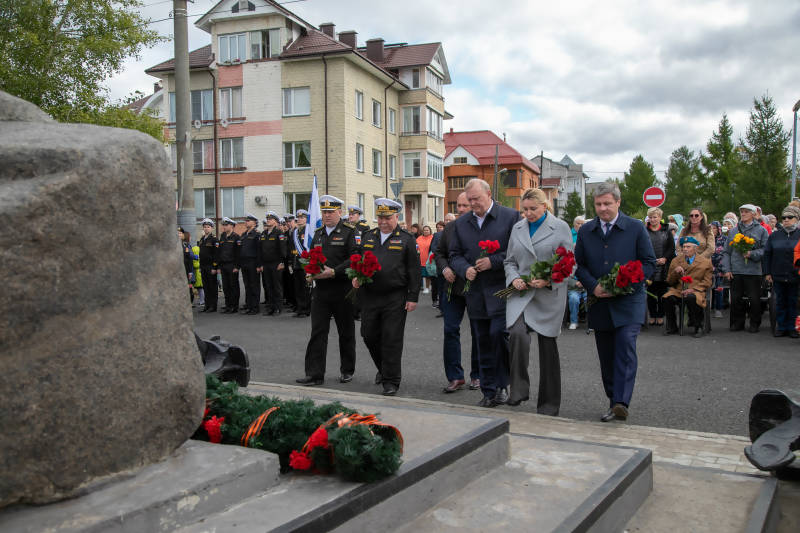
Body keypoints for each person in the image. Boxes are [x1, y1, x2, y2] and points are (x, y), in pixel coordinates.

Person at [574, 181, 656, 423]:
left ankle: (621, 401)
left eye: (607, 203)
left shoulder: (635, 228)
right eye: (598, 204)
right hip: (600, 303)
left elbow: (648, 263)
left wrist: (625, 283)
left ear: (618, 202)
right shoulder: (586, 231)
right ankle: (613, 400)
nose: (603, 208)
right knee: (607, 355)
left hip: (628, 301)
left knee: (625, 347)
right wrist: (594, 286)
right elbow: (580, 266)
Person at [449, 178, 518, 408]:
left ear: (489, 194)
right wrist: (464, 268)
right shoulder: (461, 224)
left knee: (499, 335)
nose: (473, 204)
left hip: (501, 289)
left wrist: (493, 261)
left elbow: (516, 252)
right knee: (482, 341)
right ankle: (488, 390)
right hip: (476, 292)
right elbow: (454, 255)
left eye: (476, 199)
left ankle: (502, 385)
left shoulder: (510, 217)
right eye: (469, 200)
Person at [503, 188, 572, 414]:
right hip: (522, 294)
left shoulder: (560, 227)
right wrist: (514, 279)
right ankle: (518, 390)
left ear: (545, 206)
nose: (528, 214)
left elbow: (569, 263)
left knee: (547, 347)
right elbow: (510, 261)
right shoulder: (518, 228)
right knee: (516, 334)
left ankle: (549, 404)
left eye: (533, 209)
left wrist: (549, 279)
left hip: (548, 295)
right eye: (525, 209)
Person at [353, 198, 421, 396]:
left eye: (387, 218)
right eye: (380, 217)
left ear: (396, 217)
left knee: (391, 338)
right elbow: (358, 259)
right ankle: (383, 368)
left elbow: (414, 270)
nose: (383, 221)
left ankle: (391, 381)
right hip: (370, 295)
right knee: (368, 334)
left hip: (395, 296)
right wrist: (356, 276)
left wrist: (413, 296)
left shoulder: (407, 239)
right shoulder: (368, 236)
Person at [296, 196, 358, 386]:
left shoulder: (349, 232)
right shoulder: (318, 233)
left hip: (342, 290)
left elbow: (355, 257)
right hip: (321, 292)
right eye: (324, 212)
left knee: (345, 332)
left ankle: (347, 370)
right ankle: (315, 374)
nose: (327, 215)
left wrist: (334, 272)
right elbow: (314, 258)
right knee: (318, 332)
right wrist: (310, 272)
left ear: (340, 212)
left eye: (331, 212)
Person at [436, 196, 480, 393]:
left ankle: (478, 375)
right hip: (452, 288)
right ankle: (455, 376)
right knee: (450, 330)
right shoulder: (450, 228)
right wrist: (444, 268)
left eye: (465, 205)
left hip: (475, 286)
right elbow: (440, 253)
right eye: (458, 205)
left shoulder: (480, 226)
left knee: (478, 332)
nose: (460, 209)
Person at [720, 204, 769, 332]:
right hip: (736, 270)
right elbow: (726, 252)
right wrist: (727, 269)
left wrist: (752, 254)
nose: (743, 214)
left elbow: (766, 250)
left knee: (754, 299)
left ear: (753, 214)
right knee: (736, 299)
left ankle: (754, 323)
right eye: (742, 212)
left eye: (747, 212)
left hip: (754, 271)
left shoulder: (762, 230)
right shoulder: (733, 231)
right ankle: (737, 323)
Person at [663, 237, 713, 338]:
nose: (685, 249)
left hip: (696, 290)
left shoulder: (705, 262)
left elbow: (707, 282)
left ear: (695, 248)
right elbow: (669, 281)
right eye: (684, 246)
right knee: (667, 298)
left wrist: (693, 289)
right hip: (679, 290)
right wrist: (675, 272)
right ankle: (672, 326)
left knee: (692, 298)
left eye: (688, 247)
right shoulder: (676, 261)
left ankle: (698, 326)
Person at [765, 206, 800, 337]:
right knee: (779, 301)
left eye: (789, 217)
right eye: (784, 217)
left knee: (793, 301)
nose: (786, 220)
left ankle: (792, 327)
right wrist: (767, 273)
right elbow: (767, 254)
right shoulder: (774, 236)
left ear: (796, 219)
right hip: (777, 274)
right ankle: (781, 326)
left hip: (795, 275)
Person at [645, 207, 675, 326]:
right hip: (650, 265)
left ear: (660, 218)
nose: (653, 219)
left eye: (655, 217)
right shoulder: (644, 231)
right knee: (650, 293)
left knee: (662, 292)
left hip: (663, 266)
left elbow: (671, 248)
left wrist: (665, 258)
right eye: (651, 217)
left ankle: (661, 315)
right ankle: (652, 315)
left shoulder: (666, 231)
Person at [258, 211, 286, 316]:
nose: (268, 220)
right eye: (267, 219)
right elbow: (260, 250)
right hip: (266, 264)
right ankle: (270, 307)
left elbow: (283, 249)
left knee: (277, 286)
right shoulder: (263, 234)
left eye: (270, 219)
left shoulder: (279, 233)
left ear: (275, 222)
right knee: (268, 286)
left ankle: (278, 307)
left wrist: (282, 262)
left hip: (276, 263)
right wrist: (260, 264)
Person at [290, 210, 311, 318]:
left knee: (305, 288)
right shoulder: (295, 231)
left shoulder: (309, 231)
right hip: (296, 263)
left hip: (305, 263)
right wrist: (290, 263)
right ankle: (300, 308)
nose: (300, 219)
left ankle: (306, 309)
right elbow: (291, 248)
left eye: (302, 217)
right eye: (298, 217)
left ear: (307, 219)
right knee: (297, 287)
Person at [238, 214, 261, 315]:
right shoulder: (243, 234)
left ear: (254, 223)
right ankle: (249, 305)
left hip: (253, 262)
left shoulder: (257, 234)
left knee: (254, 285)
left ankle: (255, 307)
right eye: (246, 220)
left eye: (248, 221)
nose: (246, 222)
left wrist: (258, 265)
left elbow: (259, 250)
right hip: (244, 262)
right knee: (247, 285)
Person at [218, 217, 241, 313]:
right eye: (223, 225)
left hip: (232, 265)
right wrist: (219, 266)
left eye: (226, 225)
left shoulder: (236, 237)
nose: (224, 227)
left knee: (233, 286)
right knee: (226, 287)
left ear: (231, 226)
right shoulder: (223, 236)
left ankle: (234, 306)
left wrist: (237, 266)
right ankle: (228, 305)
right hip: (224, 265)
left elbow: (238, 253)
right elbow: (220, 252)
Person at [197, 218, 219, 313]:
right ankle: (207, 305)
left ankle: (213, 306)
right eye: (205, 227)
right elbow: (201, 254)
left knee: (212, 287)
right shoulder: (202, 239)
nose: (206, 229)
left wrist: (215, 267)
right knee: (206, 286)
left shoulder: (214, 239)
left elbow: (216, 254)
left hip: (211, 266)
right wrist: (200, 267)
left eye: (208, 227)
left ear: (212, 228)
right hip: (203, 266)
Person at [710, 221, 726, 318]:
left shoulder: (724, 239)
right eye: (711, 228)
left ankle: (718, 309)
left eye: (714, 228)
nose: (712, 230)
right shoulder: (707, 239)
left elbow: (726, 254)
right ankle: (708, 307)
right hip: (708, 268)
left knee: (719, 289)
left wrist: (723, 268)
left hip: (720, 268)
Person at [178, 227, 195, 302]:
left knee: (188, 286)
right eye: (177, 233)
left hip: (185, 269)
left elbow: (188, 259)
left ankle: (189, 301)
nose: (179, 234)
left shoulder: (185, 245)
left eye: (180, 233)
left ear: (183, 235)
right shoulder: (172, 245)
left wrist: (190, 271)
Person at [417, 225, 434, 295]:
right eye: (424, 230)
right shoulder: (419, 238)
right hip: (420, 259)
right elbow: (416, 246)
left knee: (428, 275)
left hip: (429, 259)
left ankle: (427, 288)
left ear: (430, 231)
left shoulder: (433, 238)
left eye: (427, 230)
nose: (426, 231)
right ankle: (421, 287)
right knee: (421, 275)